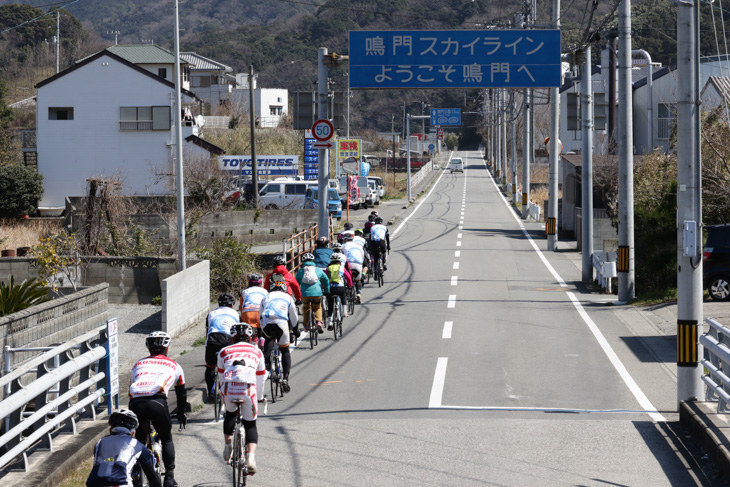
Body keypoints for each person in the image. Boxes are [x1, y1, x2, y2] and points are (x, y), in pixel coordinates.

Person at [128, 332, 187, 487]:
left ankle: (136, 470)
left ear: (149, 348)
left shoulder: (138, 364)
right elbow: (181, 393)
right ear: (166, 349)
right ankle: (169, 477)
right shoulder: (175, 365)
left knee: (139, 439)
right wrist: (181, 413)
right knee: (166, 437)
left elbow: (133, 385)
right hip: (157, 402)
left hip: (136, 403)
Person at [218, 323, 266, 474]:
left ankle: (227, 446)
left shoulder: (224, 351)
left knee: (230, 414)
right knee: (250, 424)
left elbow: (221, 376)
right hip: (248, 389)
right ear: (250, 338)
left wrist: (223, 395)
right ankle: (251, 458)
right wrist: (259, 397)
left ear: (232, 338)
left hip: (229, 388)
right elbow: (261, 377)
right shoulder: (257, 351)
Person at [86, 409, 162, 487]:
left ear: (110, 430)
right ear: (133, 432)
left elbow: (103, 467)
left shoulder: (100, 442)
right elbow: (153, 478)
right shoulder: (137, 445)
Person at [259, 278, 298, 392]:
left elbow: (260, 315)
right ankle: (285, 378)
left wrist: (262, 328)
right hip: (281, 323)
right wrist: (295, 330)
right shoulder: (288, 297)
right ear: (284, 288)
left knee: (269, 338)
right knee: (285, 350)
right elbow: (294, 316)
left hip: (267, 322)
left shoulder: (265, 297)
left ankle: (266, 362)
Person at [204, 293, 239, 402]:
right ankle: (229, 391)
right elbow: (237, 333)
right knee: (230, 366)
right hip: (228, 341)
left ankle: (210, 392)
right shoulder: (236, 314)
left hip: (212, 340)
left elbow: (207, 330)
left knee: (210, 367)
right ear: (232, 305)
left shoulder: (211, 313)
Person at [295, 252, 330, 334]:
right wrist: (327, 290)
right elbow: (326, 280)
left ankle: (306, 326)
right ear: (313, 260)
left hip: (304, 294)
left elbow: (296, 284)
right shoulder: (318, 270)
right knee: (317, 307)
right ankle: (319, 322)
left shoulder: (300, 272)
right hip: (317, 292)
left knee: (306, 307)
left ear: (303, 262)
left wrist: (298, 295)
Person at [342, 234, 369, 304]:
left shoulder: (344, 245)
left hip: (348, 264)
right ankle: (358, 293)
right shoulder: (359, 246)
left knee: (345, 277)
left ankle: (347, 290)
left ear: (346, 239)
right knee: (358, 280)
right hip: (358, 264)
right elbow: (363, 257)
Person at [327, 252, 353, 321]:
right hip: (340, 287)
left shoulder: (328, 268)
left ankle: (330, 320)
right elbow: (348, 278)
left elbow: (325, 279)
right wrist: (350, 285)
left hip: (331, 288)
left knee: (330, 303)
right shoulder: (342, 268)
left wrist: (324, 288)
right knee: (343, 297)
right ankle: (345, 312)